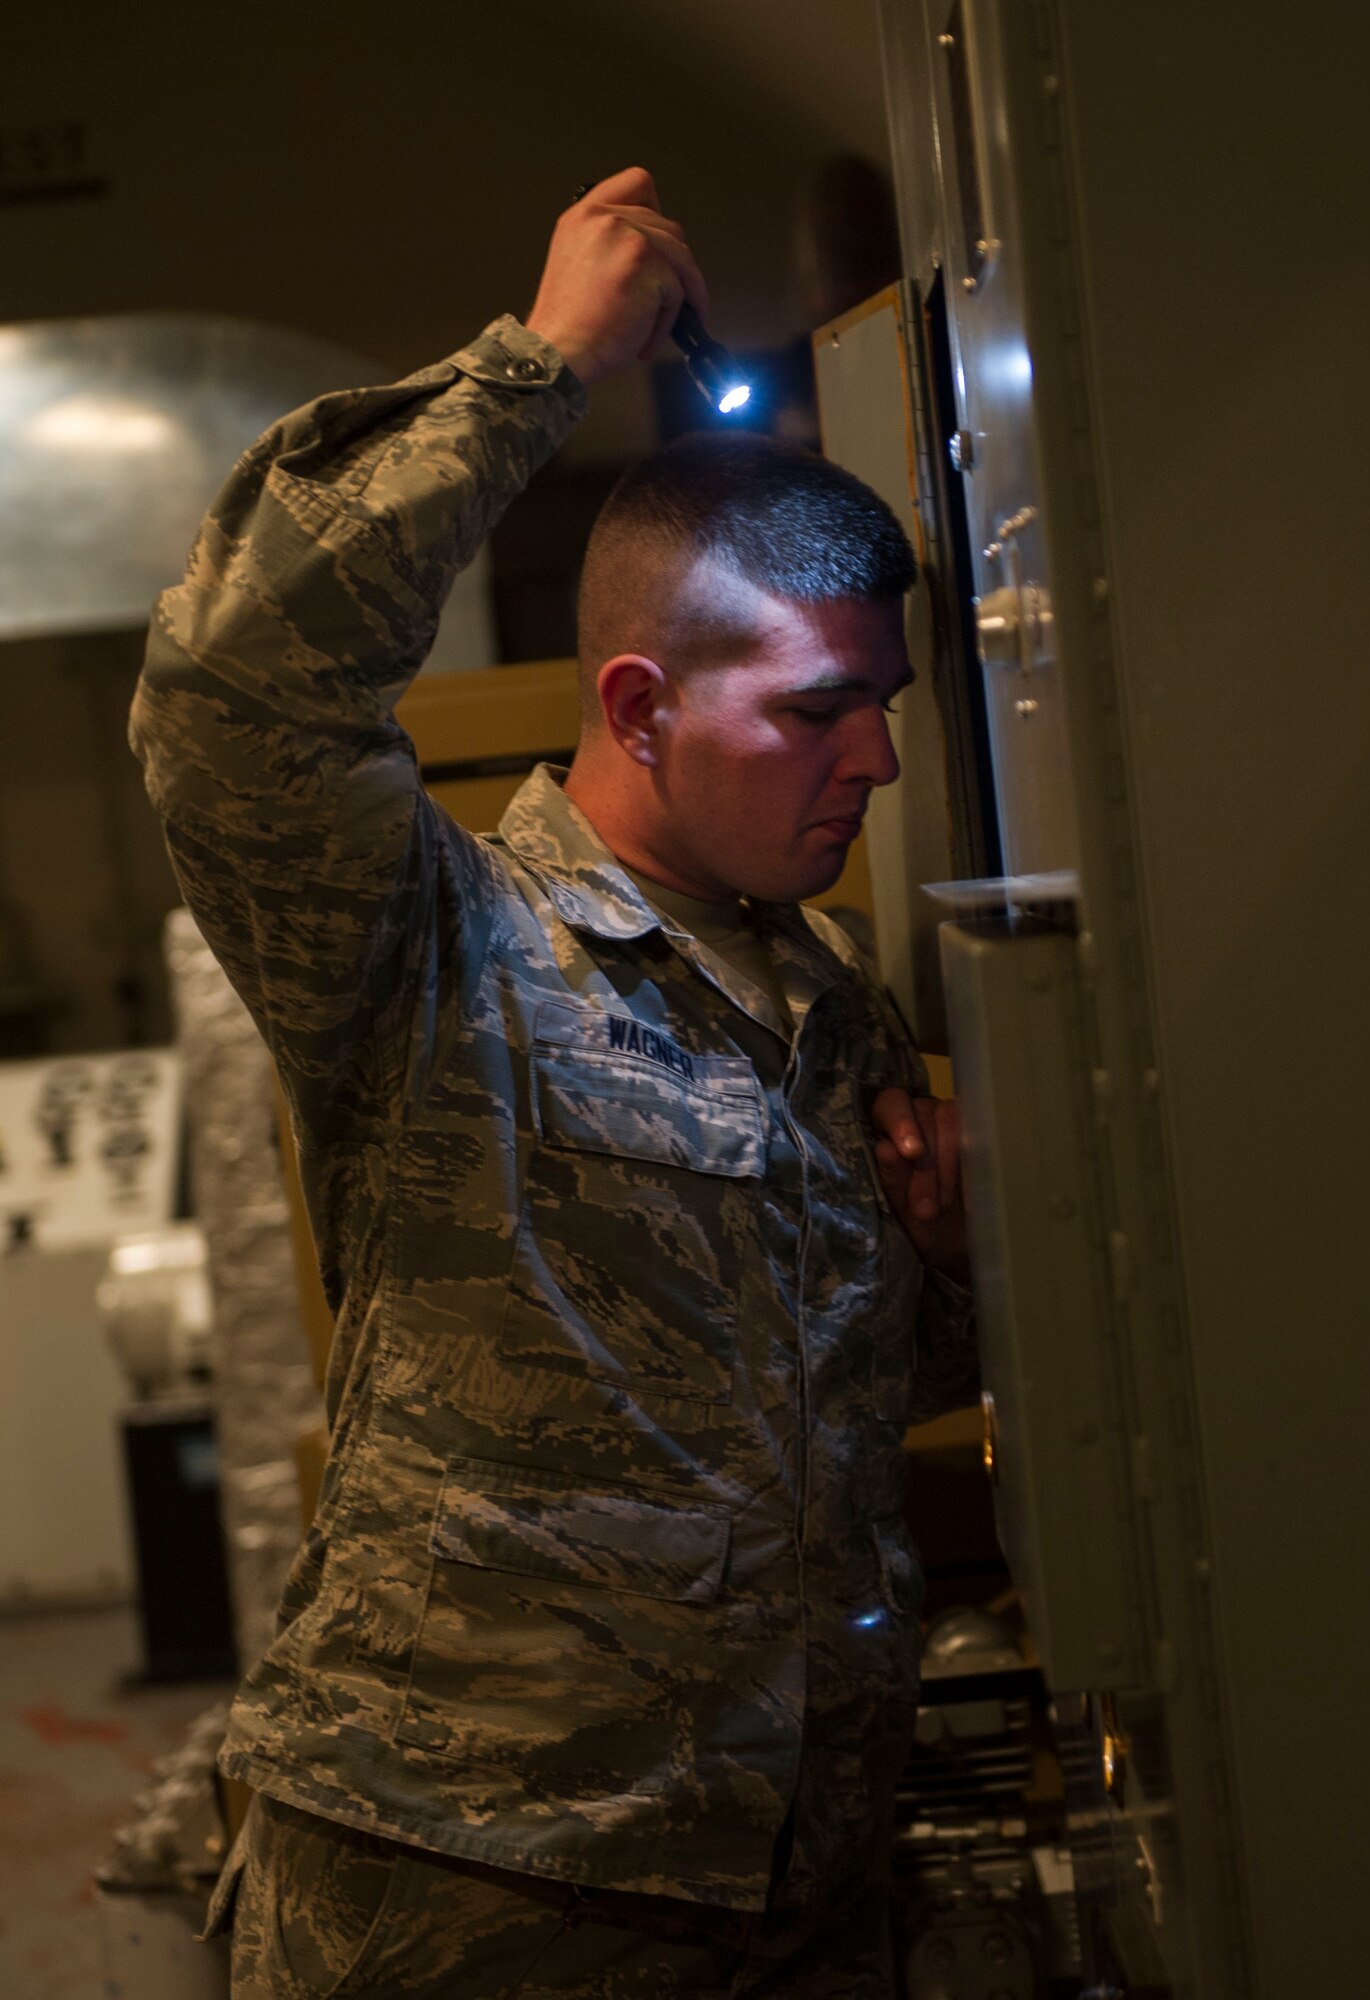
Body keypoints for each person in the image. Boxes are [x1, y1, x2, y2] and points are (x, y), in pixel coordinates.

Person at [132, 168, 976, 1998]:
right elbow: (234, 694)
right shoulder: (441, 949)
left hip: (791, 1887)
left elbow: (808, 1429)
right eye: (819, 710)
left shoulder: (831, 999)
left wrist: (963, 1259)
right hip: (474, 1890)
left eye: (885, 703)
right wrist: (535, 374)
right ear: (641, 701)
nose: (881, 761)